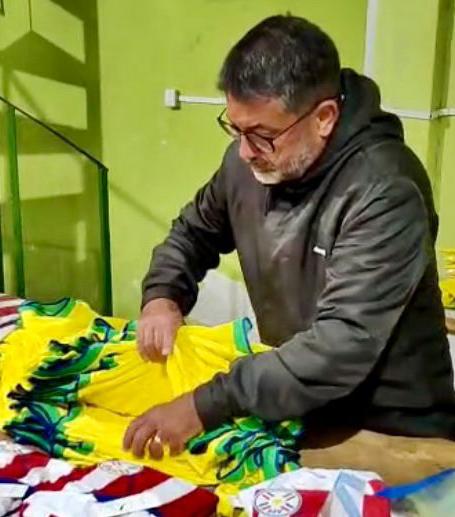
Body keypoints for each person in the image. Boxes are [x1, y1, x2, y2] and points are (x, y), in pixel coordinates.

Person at [123, 15, 455, 460]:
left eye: (263, 135)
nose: (245, 151)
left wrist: (205, 405)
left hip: (387, 431)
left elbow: (341, 344)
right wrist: (162, 295)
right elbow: (193, 232)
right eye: (235, 128)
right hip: (299, 411)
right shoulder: (248, 163)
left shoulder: (384, 190)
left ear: (324, 117)